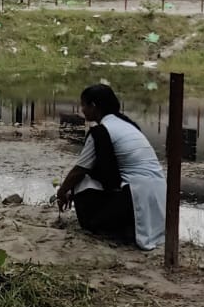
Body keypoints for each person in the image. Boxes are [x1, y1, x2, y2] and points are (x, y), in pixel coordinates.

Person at [56, 85, 165, 250]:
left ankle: (95, 223)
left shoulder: (101, 132)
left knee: (81, 182)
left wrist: (62, 191)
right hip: (159, 195)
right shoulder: (128, 124)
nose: (82, 110)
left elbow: (80, 170)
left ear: (93, 106)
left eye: (84, 105)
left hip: (136, 195)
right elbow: (107, 171)